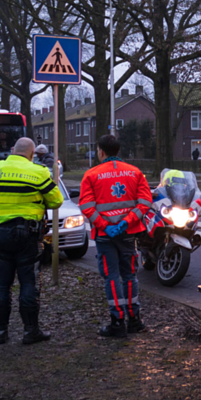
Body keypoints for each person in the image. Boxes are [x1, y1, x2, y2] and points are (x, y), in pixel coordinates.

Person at [0, 137, 63, 345]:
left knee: (1, 284)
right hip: (27, 236)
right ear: (32, 154)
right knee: (28, 282)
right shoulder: (38, 172)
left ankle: (0, 332)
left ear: (13, 150)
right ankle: (30, 331)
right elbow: (56, 201)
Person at [79, 134, 152, 338]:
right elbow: (145, 202)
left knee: (111, 277)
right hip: (128, 233)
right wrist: (126, 222)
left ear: (100, 151)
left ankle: (117, 322)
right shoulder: (135, 172)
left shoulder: (91, 175)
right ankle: (135, 320)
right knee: (129, 275)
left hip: (105, 235)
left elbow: (86, 205)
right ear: (118, 151)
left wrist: (105, 225)